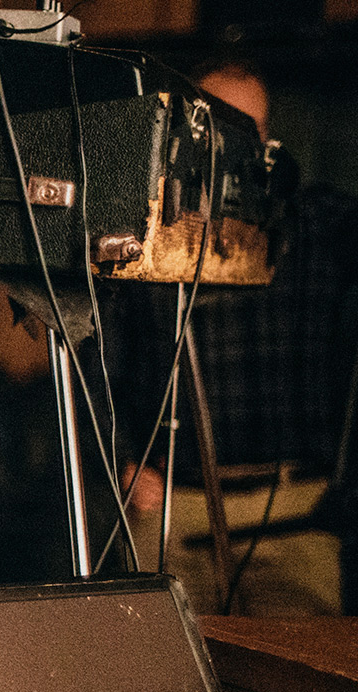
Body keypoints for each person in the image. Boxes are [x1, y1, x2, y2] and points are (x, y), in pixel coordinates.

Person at [109, 60, 358, 617]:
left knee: (299, 681)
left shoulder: (312, 225)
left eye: (252, 133)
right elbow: (96, 359)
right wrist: (122, 459)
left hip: (295, 505)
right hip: (180, 502)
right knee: (144, 650)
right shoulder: (148, 231)